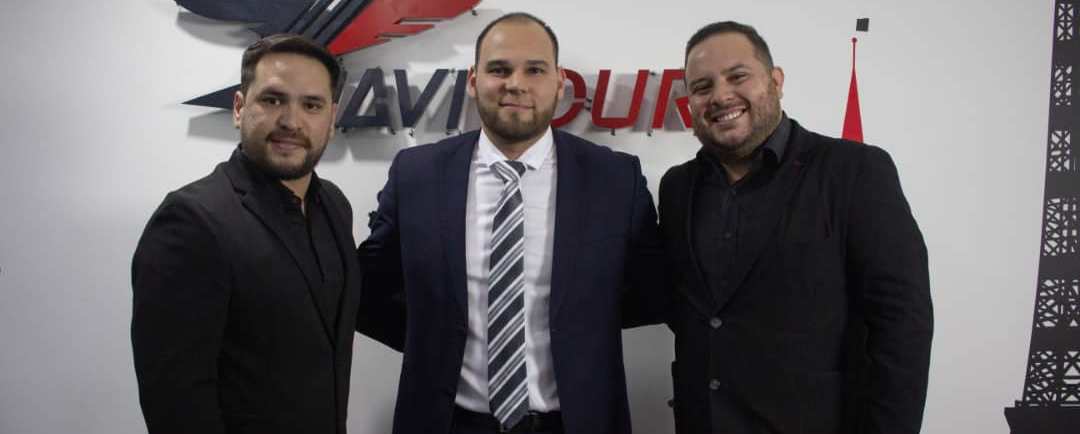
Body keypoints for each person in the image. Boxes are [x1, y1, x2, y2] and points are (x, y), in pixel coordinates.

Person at [357, 12, 664, 434]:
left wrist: (581, 331)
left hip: (574, 422)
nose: (515, 83)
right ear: (473, 80)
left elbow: (650, 291)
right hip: (447, 422)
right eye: (499, 69)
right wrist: (432, 343)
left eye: (534, 70)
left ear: (559, 83)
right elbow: (368, 289)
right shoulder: (416, 175)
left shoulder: (615, 179)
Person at [659, 21, 933, 434]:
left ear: (775, 81)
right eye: (702, 86)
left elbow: (902, 324)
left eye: (737, 76)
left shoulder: (854, 170)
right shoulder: (678, 187)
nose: (720, 96)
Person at [131, 34, 363, 434]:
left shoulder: (335, 206)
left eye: (311, 105)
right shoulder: (190, 221)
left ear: (331, 118)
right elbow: (176, 403)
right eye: (273, 100)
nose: (291, 121)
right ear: (239, 108)